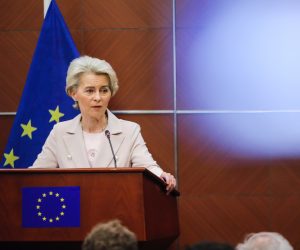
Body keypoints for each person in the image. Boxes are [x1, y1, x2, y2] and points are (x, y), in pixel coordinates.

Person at [30, 55, 176, 193]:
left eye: (104, 90)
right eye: (90, 91)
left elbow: (147, 166)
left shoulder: (129, 130)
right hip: (74, 212)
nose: (98, 97)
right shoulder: (60, 132)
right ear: (73, 93)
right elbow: (37, 176)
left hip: (115, 209)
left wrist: (161, 175)